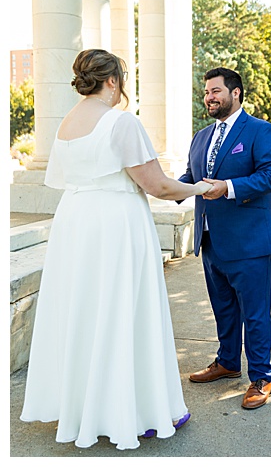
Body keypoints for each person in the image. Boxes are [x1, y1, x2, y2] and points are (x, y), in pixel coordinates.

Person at [20, 49, 211, 449]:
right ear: (113, 81)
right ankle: (132, 411)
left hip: (75, 221)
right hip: (115, 224)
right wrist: (197, 188)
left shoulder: (66, 124)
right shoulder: (121, 122)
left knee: (84, 310)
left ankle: (85, 406)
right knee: (123, 309)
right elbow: (156, 184)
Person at [178, 67, 271, 410]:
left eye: (215, 91)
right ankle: (227, 362)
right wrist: (161, 187)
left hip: (250, 241)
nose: (209, 96)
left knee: (254, 313)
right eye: (206, 91)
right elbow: (191, 177)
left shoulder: (260, 131)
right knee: (223, 308)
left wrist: (229, 188)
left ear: (235, 93)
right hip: (210, 240)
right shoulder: (200, 136)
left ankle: (261, 376)